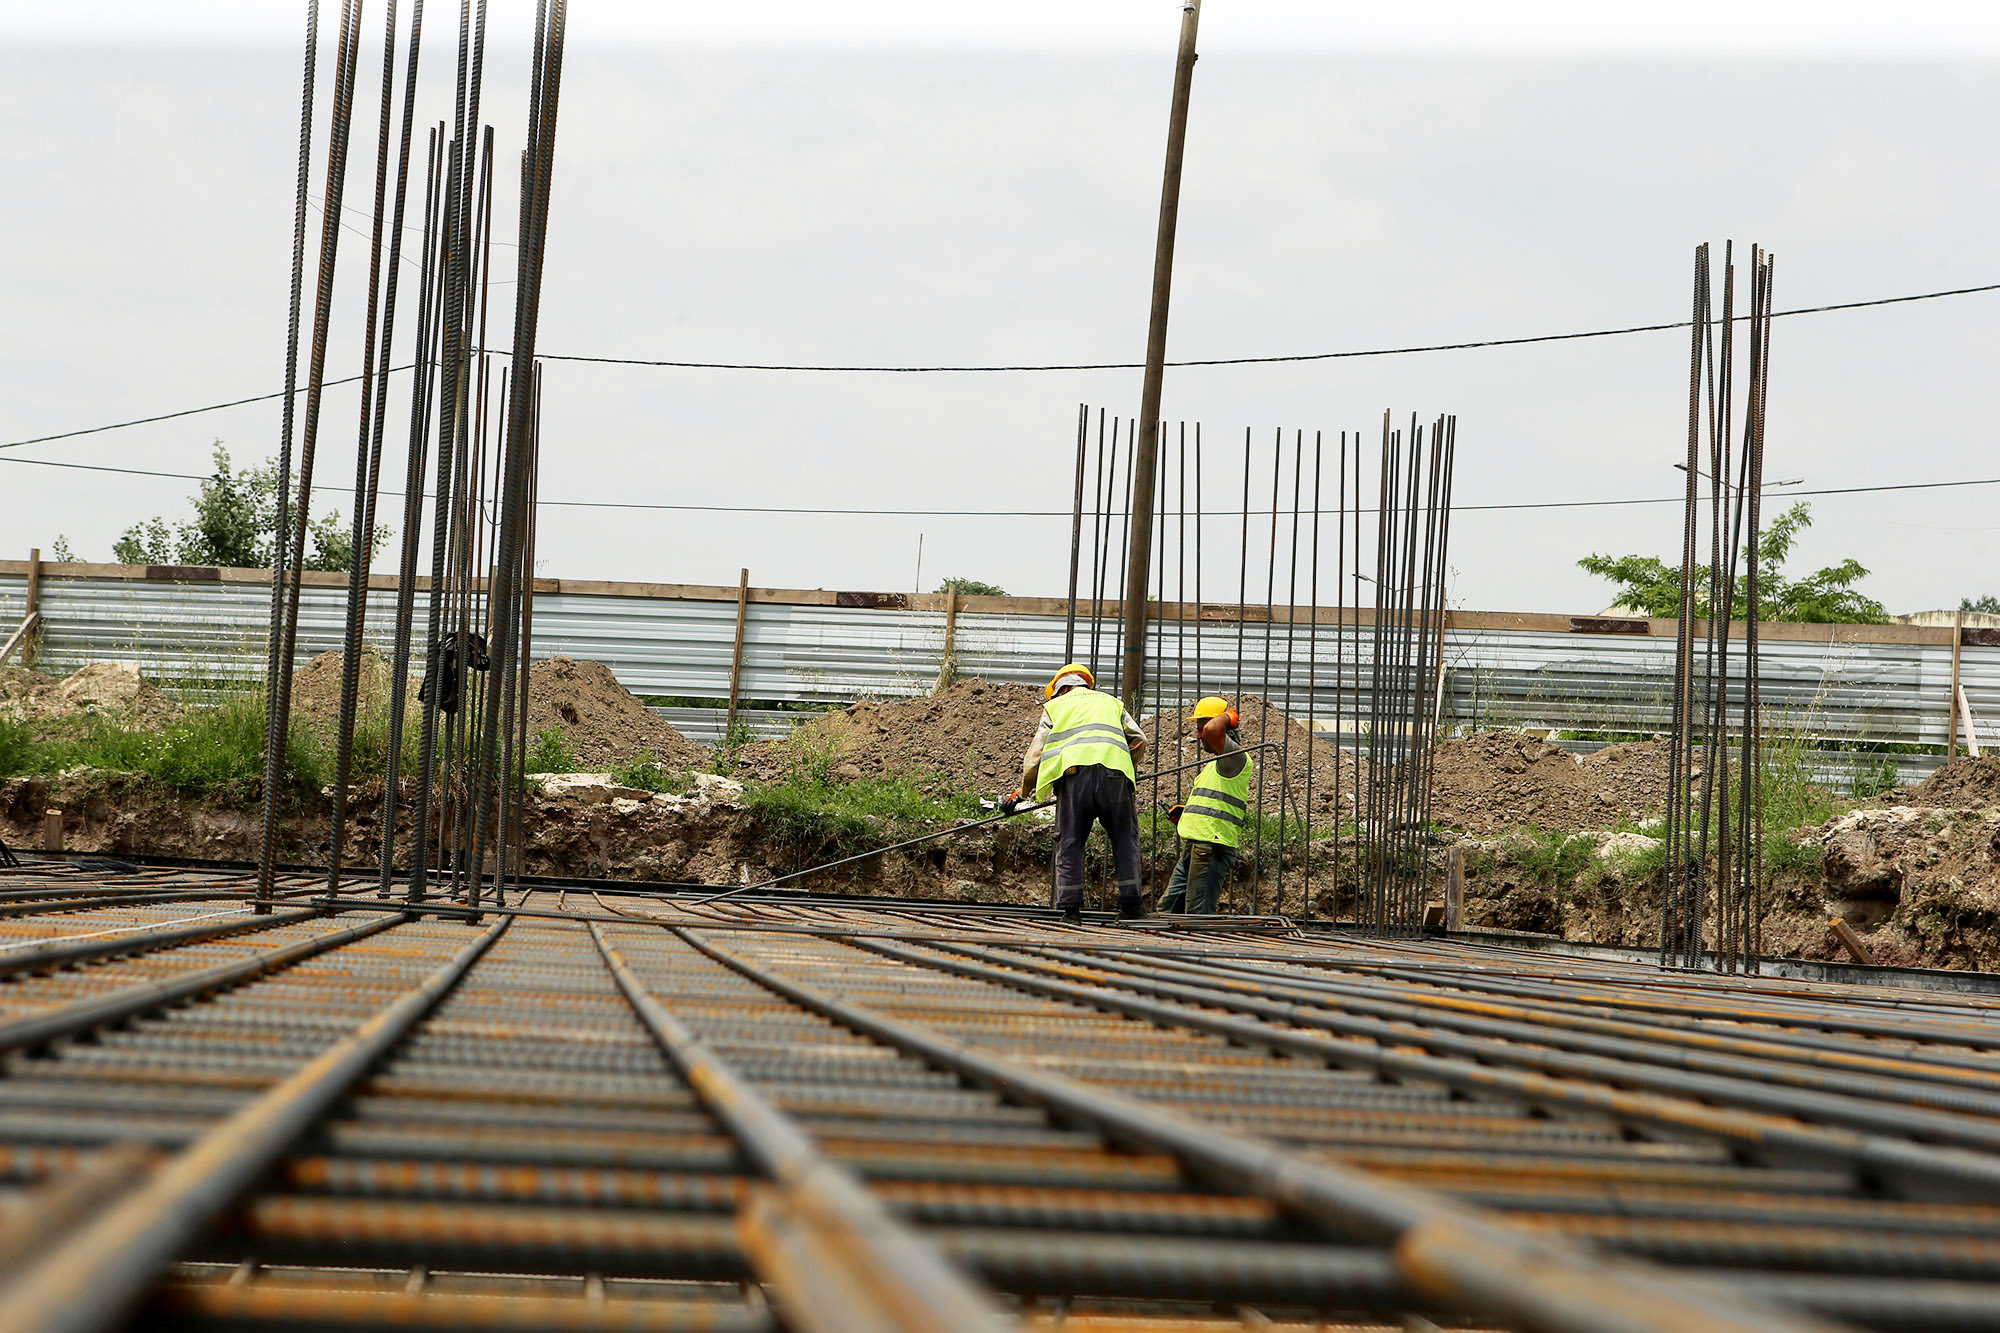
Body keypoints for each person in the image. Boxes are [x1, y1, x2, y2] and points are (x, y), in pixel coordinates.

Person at [1000, 663, 1148, 923]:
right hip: (1115, 777)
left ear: (1063, 688)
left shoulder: (1056, 707)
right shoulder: (1111, 703)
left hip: (1074, 779)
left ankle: (1071, 911)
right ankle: (1131, 906)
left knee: (1069, 840)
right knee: (1125, 839)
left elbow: (1036, 755)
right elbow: (1139, 740)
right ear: (1083, 684)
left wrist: (1021, 793)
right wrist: (1126, 766)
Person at [1158, 696, 1251, 915]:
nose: (1200, 735)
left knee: (1197, 915)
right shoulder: (1215, 763)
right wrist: (1188, 812)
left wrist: (1229, 716)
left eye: (1201, 729)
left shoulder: (1235, 757)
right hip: (1197, 847)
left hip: (1211, 848)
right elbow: (1215, 803)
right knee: (1167, 910)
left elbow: (1212, 729)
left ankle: (1200, 947)